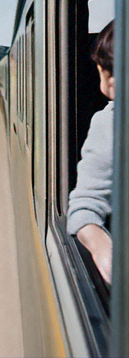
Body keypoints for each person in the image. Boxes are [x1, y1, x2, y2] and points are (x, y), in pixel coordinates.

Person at [67, 20, 115, 284]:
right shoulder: (110, 123)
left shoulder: (108, 122)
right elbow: (85, 206)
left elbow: (84, 206)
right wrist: (100, 245)